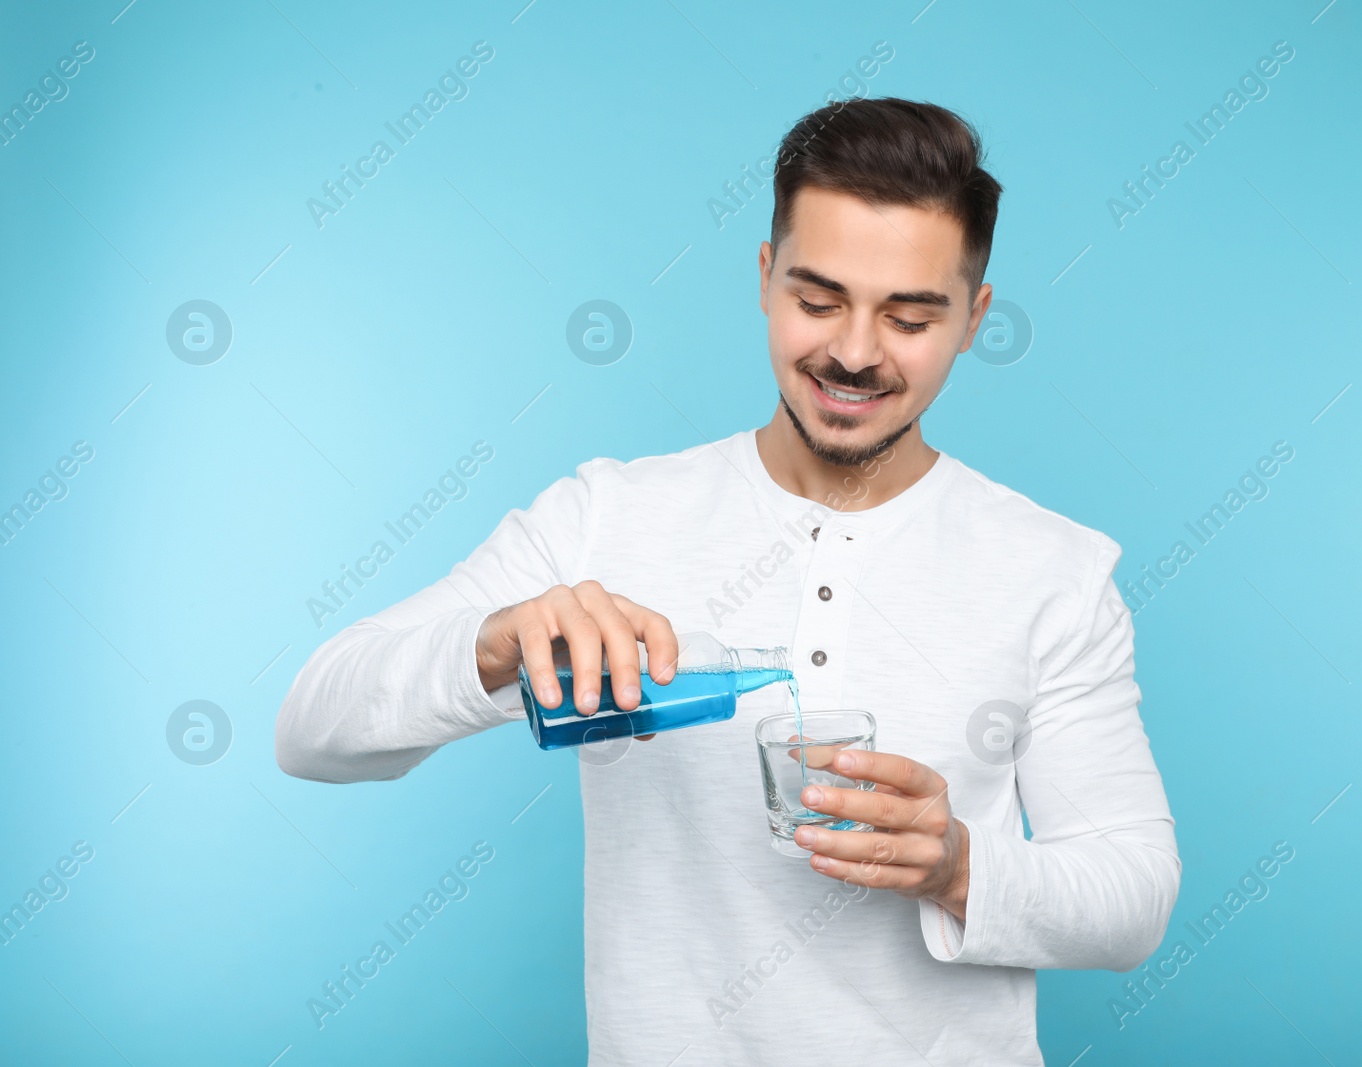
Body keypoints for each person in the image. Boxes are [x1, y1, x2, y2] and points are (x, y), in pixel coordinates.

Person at [276, 96, 1180, 1066]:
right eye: (818, 299)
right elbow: (312, 729)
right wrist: (496, 641)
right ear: (763, 277)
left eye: (909, 315)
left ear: (973, 318)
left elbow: (1133, 896)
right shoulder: (601, 518)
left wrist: (961, 867)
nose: (854, 351)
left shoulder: (1054, 568)